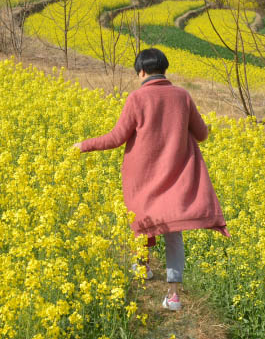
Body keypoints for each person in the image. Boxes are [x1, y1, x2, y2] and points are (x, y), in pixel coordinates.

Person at [73, 48, 229, 311]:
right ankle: (174, 296)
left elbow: (116, 137)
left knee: (142, 221)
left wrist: (83, 145)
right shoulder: (182, 96)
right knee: (173, 232)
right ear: (164, 69)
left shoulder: (137, 98)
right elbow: (201, 134)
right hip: (176, 177)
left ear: (142, 72)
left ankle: (142, 269)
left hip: (143, 178)